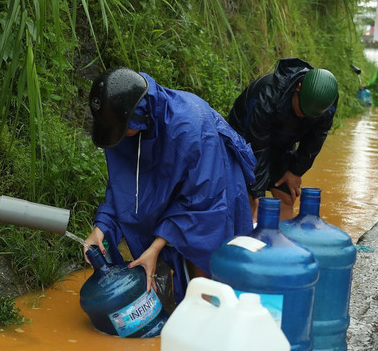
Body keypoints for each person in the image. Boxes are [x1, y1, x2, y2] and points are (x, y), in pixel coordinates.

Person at [84, 67, 256, 303]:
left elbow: (201, 205)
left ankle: (205, 314)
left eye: (124, 131)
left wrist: (154, 248)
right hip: (180, 181)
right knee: (172, 278)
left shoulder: (189, 128)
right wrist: (101, 228)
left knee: (203, 260)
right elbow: (125, 188)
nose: (121, 138)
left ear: (141, 117)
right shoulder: (126, 128)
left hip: (212, 181)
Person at [227, 59, 338, 220]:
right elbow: (257, 145)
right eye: (301, 110)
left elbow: (316, 138)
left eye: (309, 115)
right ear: (297, 88)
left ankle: (281, 240)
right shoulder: (267, 92)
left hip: (281, 145)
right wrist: (257, 192)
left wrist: (295, 172)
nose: (303, 116)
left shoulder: (326, 102)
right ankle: (245, 236)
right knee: (249, 197)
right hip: (244, 143)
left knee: (287, 193)